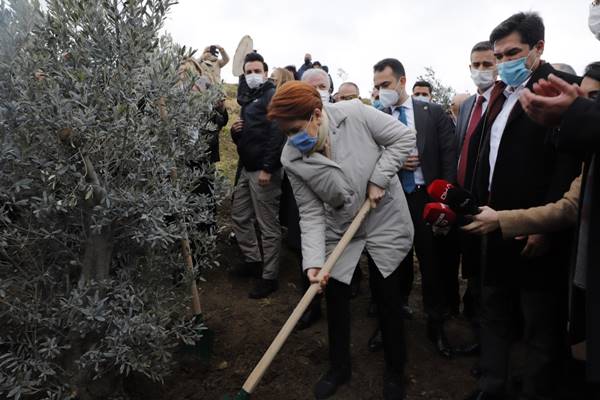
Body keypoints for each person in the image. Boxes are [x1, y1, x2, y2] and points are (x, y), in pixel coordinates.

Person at [268, 81, 415, 400]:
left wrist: (380, 177)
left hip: (382, 217)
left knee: (386, 295)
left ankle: (395, 370)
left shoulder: (356, 114)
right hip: (339, 227)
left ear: (317, 115)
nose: (292, 139)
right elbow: (309, 212)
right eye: (285, 133)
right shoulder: (291, 158)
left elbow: (403, 137)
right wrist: (314, 263)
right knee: (335, 297)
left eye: (295, 129)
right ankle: (339, 368)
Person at [464, 12, 581, 400]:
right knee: (494, 313)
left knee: (538, 327)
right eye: (498, 55)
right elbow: (488, 158)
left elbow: (568, 166)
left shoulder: (563, 92)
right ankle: (491, 387)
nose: (503, 62)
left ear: (538, 49)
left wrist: (543, 226)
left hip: (536, 232)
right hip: (495, 224)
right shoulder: (501, 96)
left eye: (511, 53)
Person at [372, 58, 457, 358]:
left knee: (431, 262)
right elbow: (371, 160)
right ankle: (391, 319)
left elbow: (449, 158)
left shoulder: (431, 113)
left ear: (402, 81)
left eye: (386, 85)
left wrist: (443, 200)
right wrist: (393, 164)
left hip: (425, 197)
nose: (382, 91)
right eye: (378, 86)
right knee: (393, 262)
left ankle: (436, 324)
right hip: (393, 200)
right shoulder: (376, 116)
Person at [453, 41, 499, 361]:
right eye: (475, 64)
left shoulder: (505, 101)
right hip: (465, 200)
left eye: (487, 63)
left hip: (494, 204)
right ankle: (480, 333)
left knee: (492, 280)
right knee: (473, 272)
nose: (480, 70)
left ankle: (491, 350)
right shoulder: (469, 105)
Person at [230, 52, 286, 299]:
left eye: (257, 71)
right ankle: (253, 261)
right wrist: (235, 132)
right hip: (246, 167)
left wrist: (268, 167)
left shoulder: (270, 96)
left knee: (268, 224)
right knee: (239, 215)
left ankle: (269, 276)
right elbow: (249, 135)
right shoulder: (248, 99)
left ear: (265, 72)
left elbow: (277, 134)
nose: (252, 75)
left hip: (263, 170)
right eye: (248, 72)